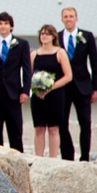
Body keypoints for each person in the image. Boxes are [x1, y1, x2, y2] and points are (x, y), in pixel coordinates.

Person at [0, 11, 31, 152]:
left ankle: (18, 158)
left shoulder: (21, 44)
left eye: (6, 24)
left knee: (15, 129)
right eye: (0, 24)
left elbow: (27, 69)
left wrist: (25, 90)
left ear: (11, 26)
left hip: (13, 93)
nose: (3, 26)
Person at [58, 7, 97, 161]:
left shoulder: (87, 36)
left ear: (76, 18)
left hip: (83, 86)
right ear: (62, 19)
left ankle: (84, 157)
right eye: (65, 16)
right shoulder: (56, 37)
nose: (68, 19)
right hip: (63, 87)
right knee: (61, 123)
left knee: (85, 123)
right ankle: (67, 156)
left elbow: (94, 62)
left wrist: (96, 88)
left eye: (71, 16)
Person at [30, 24, 73, 157]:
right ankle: (38, 158)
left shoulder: (60, 53)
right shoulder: (34, 54)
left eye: (47, 34)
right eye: (42, 33)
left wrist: (49, 87)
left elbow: (68, 76)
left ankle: (52, 159)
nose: (44, 36)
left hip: (55, 95)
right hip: (38, 96)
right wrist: (36, 88)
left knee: (53, 128)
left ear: (53, 36)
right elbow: (29, 75)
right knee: (39, 128)